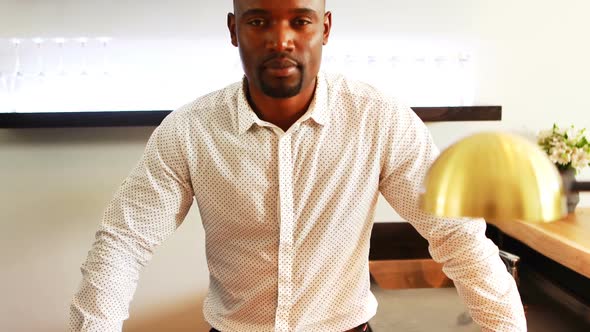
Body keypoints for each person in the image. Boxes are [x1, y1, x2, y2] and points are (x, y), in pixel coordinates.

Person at [70, 0, 526, 331]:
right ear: (234, 29)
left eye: (299, 20)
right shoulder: (190, 130)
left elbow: (457, 234)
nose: (280, 38)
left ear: (324, 27)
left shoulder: (378, 118)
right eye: (259, 20)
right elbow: (123, 244)